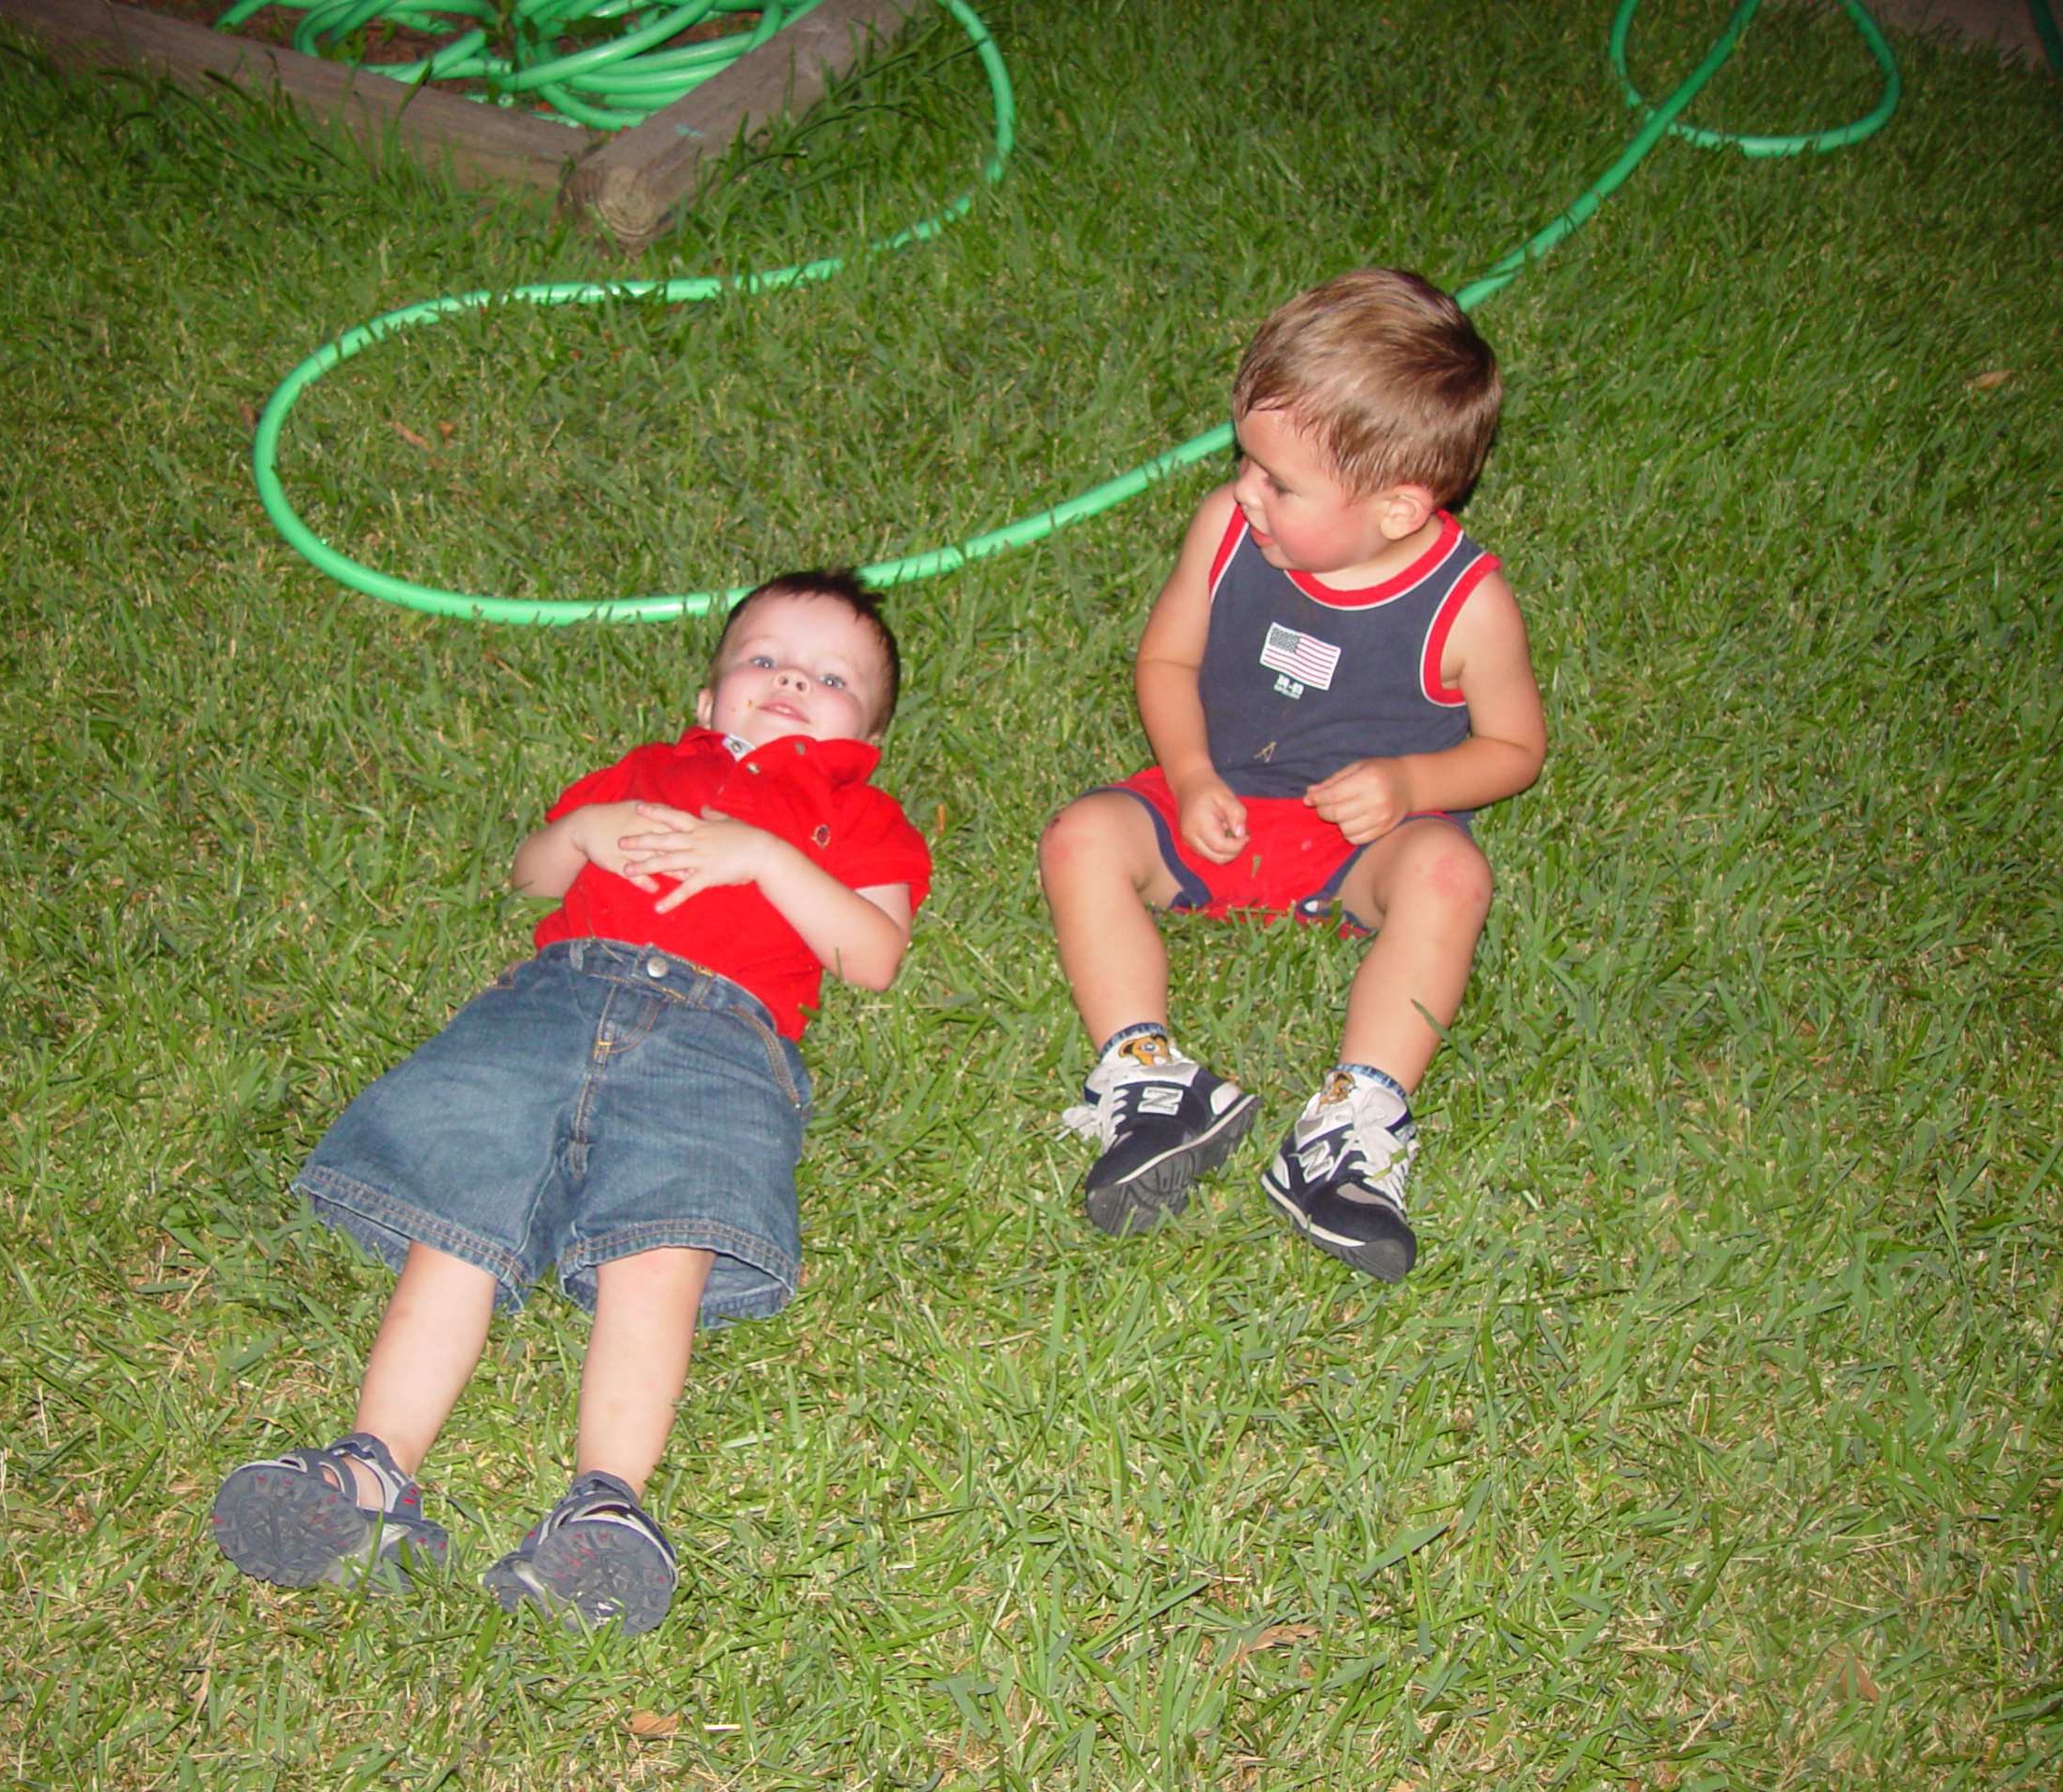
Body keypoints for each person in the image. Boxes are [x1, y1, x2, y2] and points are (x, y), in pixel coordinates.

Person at [210, 570, 931, 1632]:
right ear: (707, 698)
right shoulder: (647, 775)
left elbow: (871, 955)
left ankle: (606, 1506)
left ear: (865, 733)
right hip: (553, 1001)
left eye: (829, 678)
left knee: (660, 1253)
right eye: (762, 659)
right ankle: (368, 1473)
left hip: (720, 1045)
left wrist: (767, 857)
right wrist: (584, 830)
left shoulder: (857, 816)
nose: (788, 682)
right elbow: (531, 873)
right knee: (459, 1217)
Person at [1038, 268, 1546, 1282]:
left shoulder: (1465, 605)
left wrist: (1408, 786)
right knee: (1077, 840)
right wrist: (1185, 775)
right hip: (1214, 804)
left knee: (1450, 879)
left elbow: (1514, 749)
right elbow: (1167, 661)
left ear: (1401, 506)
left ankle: (1350, 1129)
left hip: (1361, 843)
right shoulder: (1226, 533)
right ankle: (1150, 1080)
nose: (1243, 491)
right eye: (1244, 462)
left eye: (1279, 482)